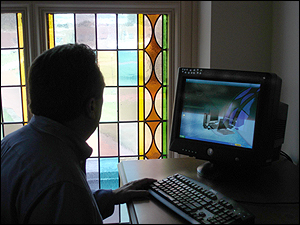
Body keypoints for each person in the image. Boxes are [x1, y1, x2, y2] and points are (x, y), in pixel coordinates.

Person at [1, 43, 156, 224]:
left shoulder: (12, 143)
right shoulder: (63, 184)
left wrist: (109, 197)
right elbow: (61, 201)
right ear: (91, 106)